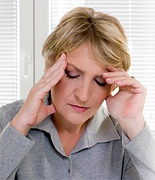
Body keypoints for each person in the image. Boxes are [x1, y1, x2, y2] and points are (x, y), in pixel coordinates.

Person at [0, 7, 155, 180]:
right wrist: (20, 127)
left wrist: (133, 122)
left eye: (100, 82)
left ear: (113, 85)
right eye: (72, 74)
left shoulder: (126, 138)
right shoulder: (9, 121)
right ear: (51, 67)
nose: (83, 96)